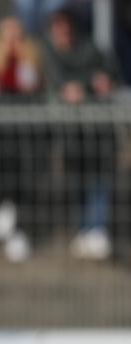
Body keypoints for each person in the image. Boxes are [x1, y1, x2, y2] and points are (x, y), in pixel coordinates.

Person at [45, 9, 117, 260]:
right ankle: (84, 230)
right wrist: (85, 84)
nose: (62, 33)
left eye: (66, 27)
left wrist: (89, 85)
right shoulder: (49, 53)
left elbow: (106, 78)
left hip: (98, 133)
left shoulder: (91, 49)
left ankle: (97, 229)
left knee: (99, 181)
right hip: (71, 135)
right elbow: (58, 83)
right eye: (58, 27)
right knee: (78, 183)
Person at [0, 16, 47, 262]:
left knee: (25, 180)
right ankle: (6, 220)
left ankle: (19, 230)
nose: (12, 42)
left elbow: (29, 84)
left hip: (28, 133)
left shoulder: (31, 61)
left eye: (17, 37)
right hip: (3, 134)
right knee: (5, 176)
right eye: (7, 37)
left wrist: (17, 60)